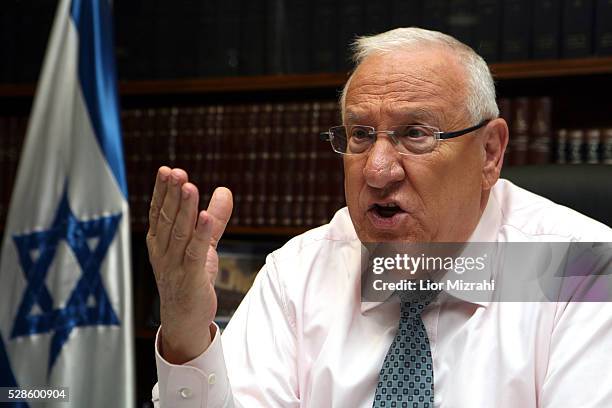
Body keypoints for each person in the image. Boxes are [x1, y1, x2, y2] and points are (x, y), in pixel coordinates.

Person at [148, 28, 612, 407]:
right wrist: (187, 332)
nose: (376, 169)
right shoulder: (300, 271)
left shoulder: (581, 269)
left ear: (489, 153)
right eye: (360, 135)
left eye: (415, 134)